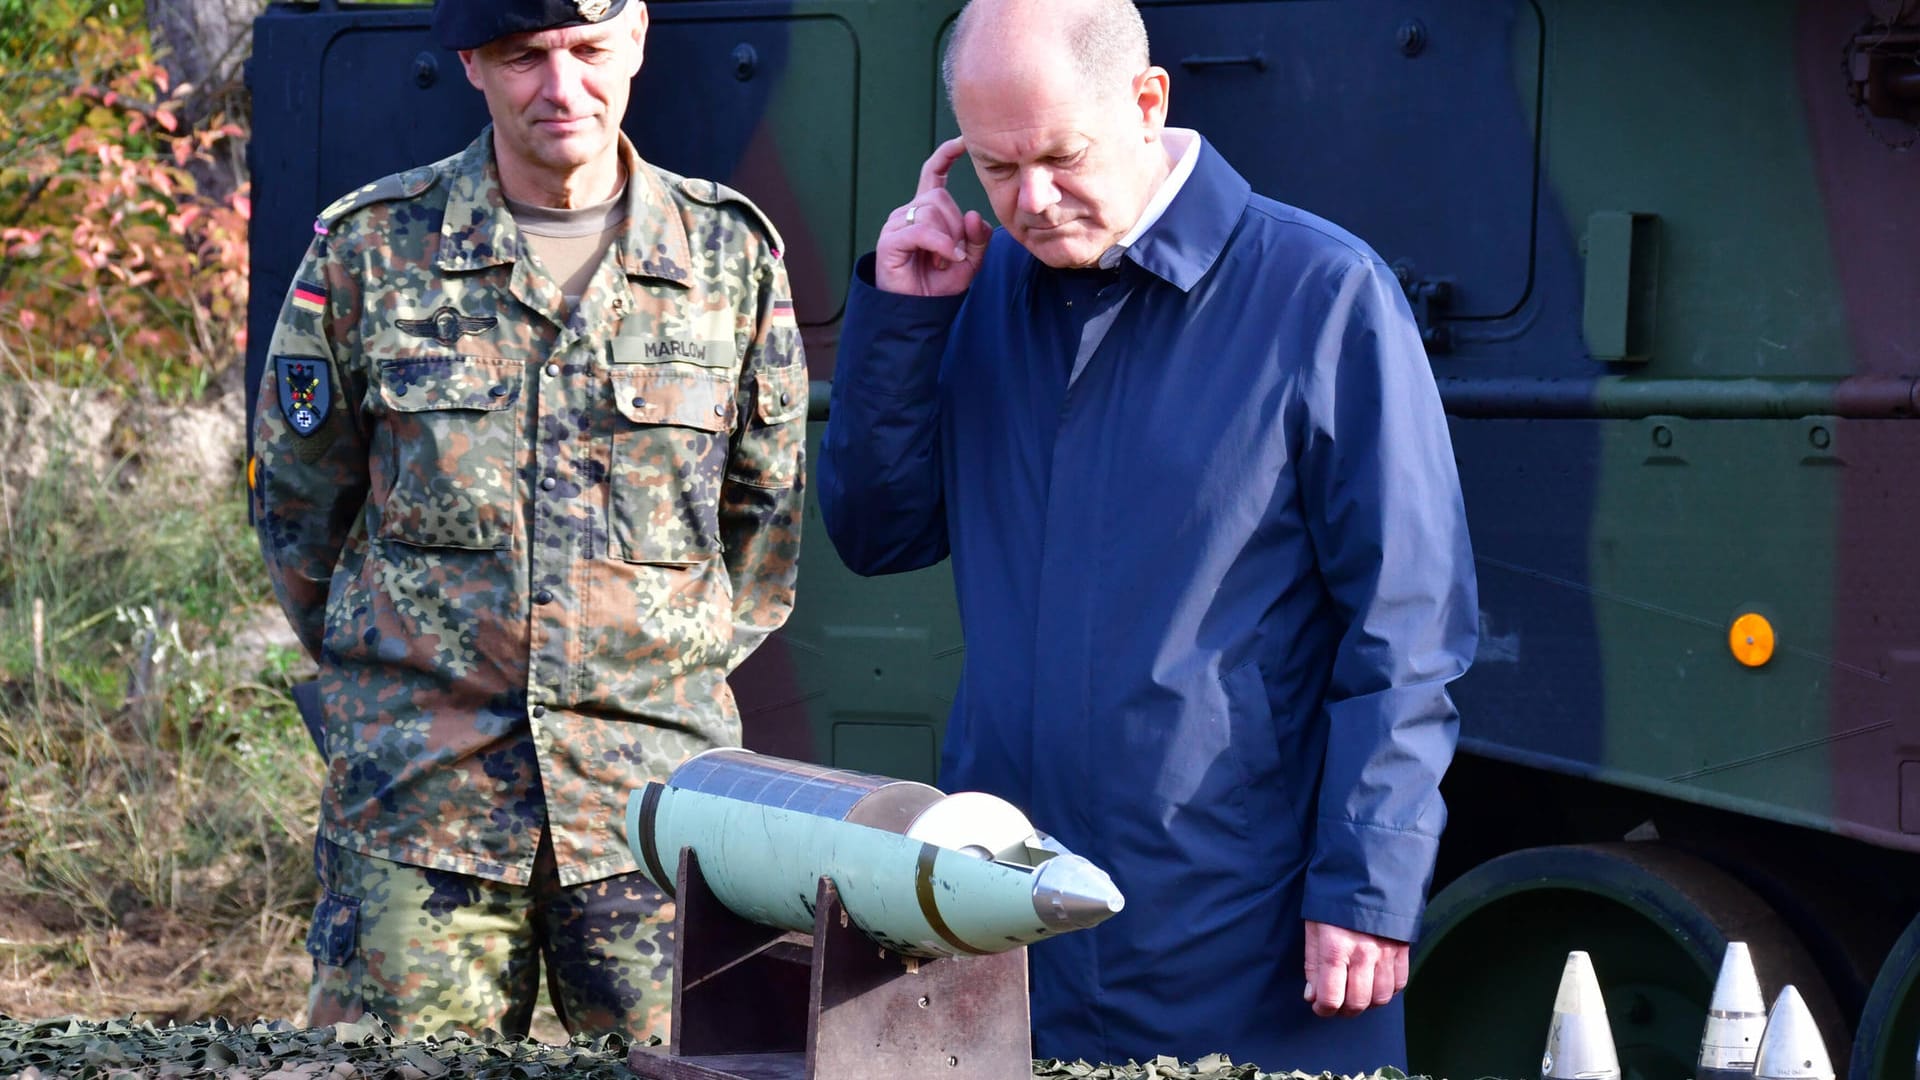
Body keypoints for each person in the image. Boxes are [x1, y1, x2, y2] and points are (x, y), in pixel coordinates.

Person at [816, 0, 1476, 1070]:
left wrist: (1368, 884)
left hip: (1239, 928)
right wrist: (904, 320)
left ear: (1147, 100)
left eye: (1060, 156)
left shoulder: (1319, 293)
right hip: (1005, 912)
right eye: (994, 168)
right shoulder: (977, 292)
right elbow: (876, 534)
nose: (1031, 200)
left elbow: (1406, 626)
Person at [250, 0, 807, 1042]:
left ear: (636, 38)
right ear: (471, 61)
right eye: (524, 57)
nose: (563, 88)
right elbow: (299, 511)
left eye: (590, 50)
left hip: (655, 811)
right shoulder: (371, 250)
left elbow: (762, 528)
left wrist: (647, 669)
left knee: (696, 1071)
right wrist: (412, 673)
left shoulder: (729, 259)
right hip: (422, 809)